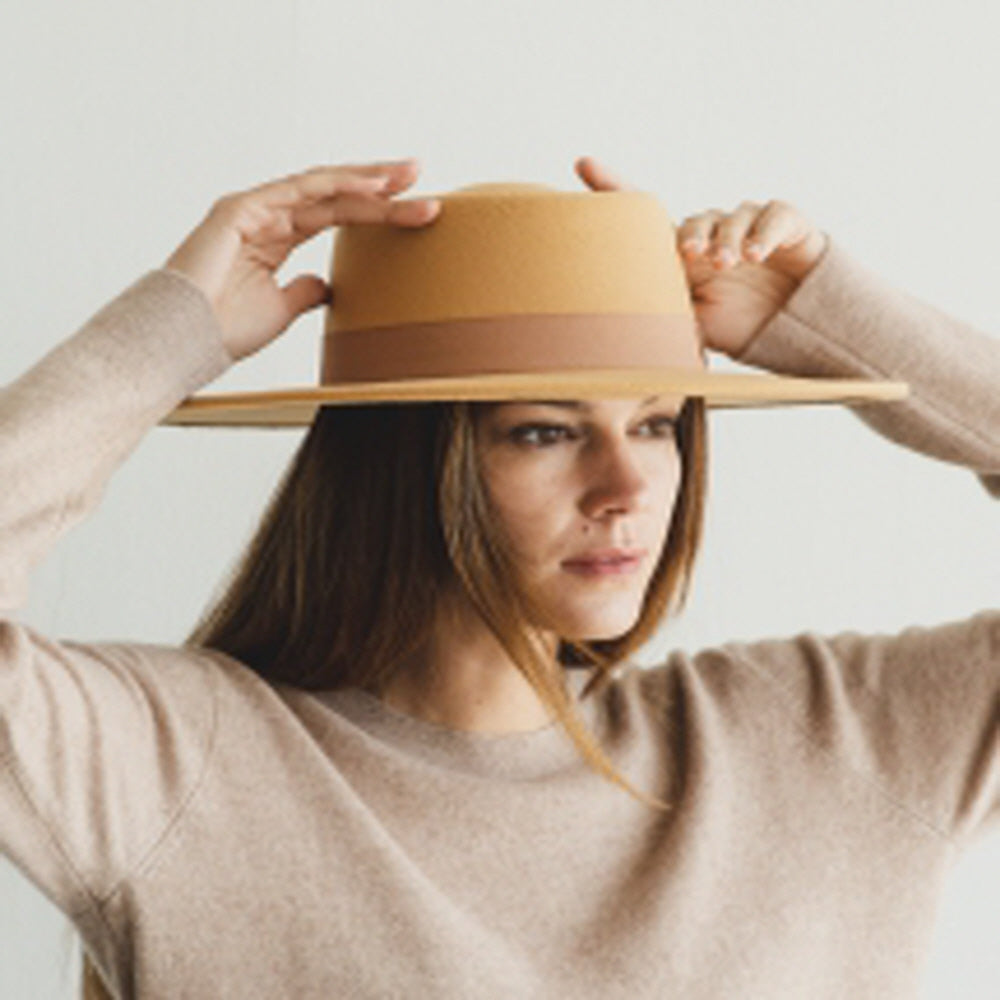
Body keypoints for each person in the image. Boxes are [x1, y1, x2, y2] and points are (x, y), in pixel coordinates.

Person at [0, 157, 995, 1000]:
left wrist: (839, 321)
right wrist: (168, 331)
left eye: (656, 424)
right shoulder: (182, 768)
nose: (626, 487)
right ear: (403, 463)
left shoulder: (828, 741)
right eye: (545, 431)